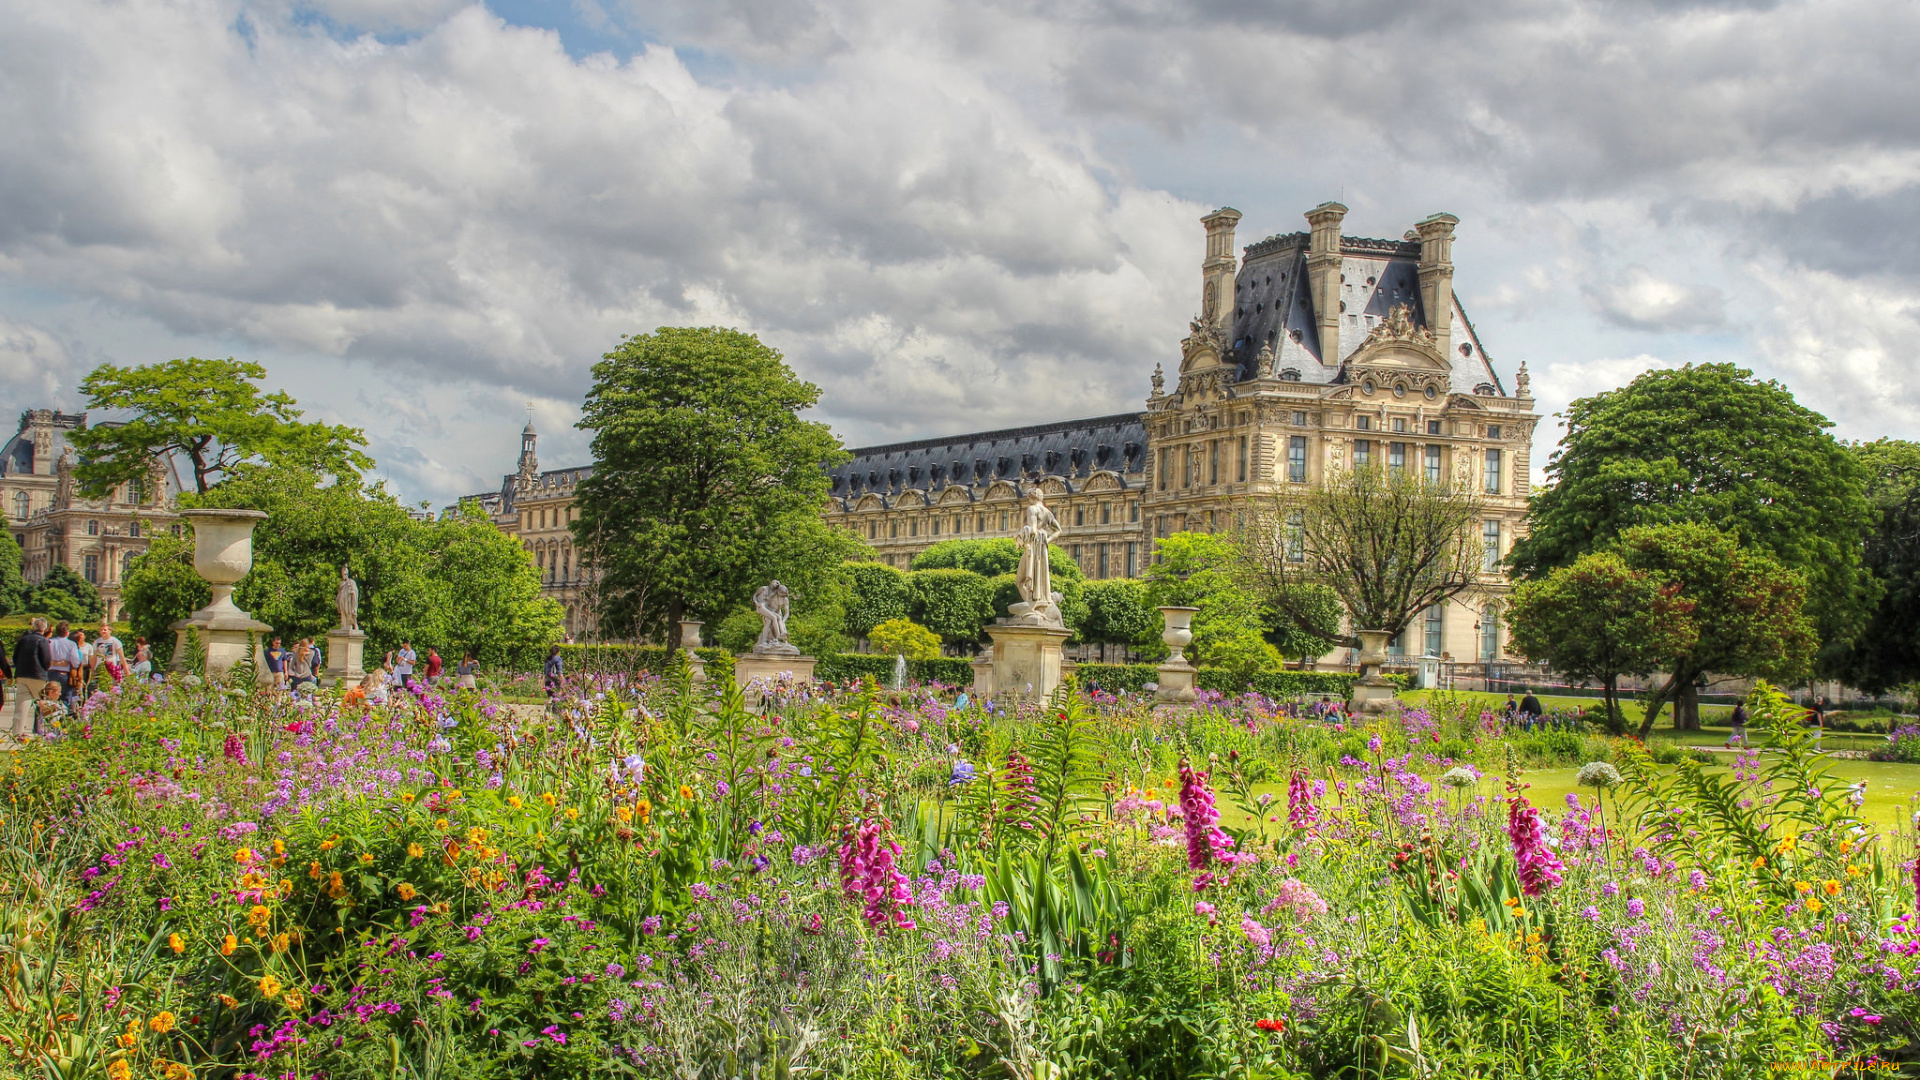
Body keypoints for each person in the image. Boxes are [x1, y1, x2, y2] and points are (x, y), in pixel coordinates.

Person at [46, 621, 79, 712]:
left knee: (51, 697)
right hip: (64, 673)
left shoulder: (50, 642)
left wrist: (54, 663)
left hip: (51, 672)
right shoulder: (71, 644)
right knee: (65, 697)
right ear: (67, 632)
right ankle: (62, 717)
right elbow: (75, 661)